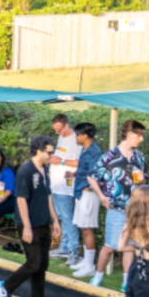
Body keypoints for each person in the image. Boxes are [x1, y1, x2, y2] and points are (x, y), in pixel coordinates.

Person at [0, 136, 61, 297]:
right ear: (38, 151)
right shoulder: (25, 171)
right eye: (49, 152)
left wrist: (55, 220)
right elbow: (21, 200)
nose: (52, 155)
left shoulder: (46, 170)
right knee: (34, 263)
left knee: (42, 265)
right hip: (29, 224)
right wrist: (26, 227)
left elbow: (48, 196)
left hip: (43, 223)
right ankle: (6, 286)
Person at [88, 119, 149, 291]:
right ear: (129, 135)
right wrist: (101, 196)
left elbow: (144, 181)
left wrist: (141, 178)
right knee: (110, 246)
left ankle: (126, 282)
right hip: (116, 209)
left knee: (129, 247)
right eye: (140, 136)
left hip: (136, 210)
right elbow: (92, 176)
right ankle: (98, 276)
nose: (141, 139)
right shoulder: (110, 156)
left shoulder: (139, 156)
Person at [70, 123, 104, 278]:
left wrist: (87, 187)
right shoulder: (85, 150)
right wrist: (75, 175)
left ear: (85, 135)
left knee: (87, 228)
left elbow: (96, 174)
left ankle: (90, 265)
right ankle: (85, 261)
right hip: (80, 193)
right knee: (83, 227)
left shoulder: (94, 152)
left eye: (77, 134)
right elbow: (85, 171)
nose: (75, 137)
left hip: (88, 195)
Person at [48, 113, 82, 265]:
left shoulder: (75, 140)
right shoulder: (62, 137)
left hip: (65, 186)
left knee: (68, 219)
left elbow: (79, 163)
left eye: (59, 129)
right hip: (56, 185)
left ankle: (74, 251)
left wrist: (61, 162)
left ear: (66, 126)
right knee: (62, 217)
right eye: (55, 130)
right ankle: (65, 247)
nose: (57, 132)